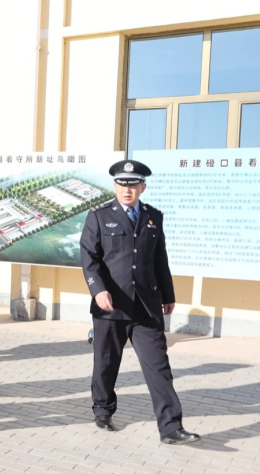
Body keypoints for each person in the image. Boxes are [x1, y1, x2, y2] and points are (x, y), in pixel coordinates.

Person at [80, 159, 200, 445]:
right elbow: (89, 258)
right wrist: (98, 291)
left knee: (159, 366)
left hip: (146, 306)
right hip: (111, 305)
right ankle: (103, 410)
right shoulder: (98, 216)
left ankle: (171, 428)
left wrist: (168, 295)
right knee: (106, 362)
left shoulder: (153, 217)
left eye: (133, 185)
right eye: (122, 184)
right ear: (114, 186)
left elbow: (160, 259)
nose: (127, 190)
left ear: (142, 187)